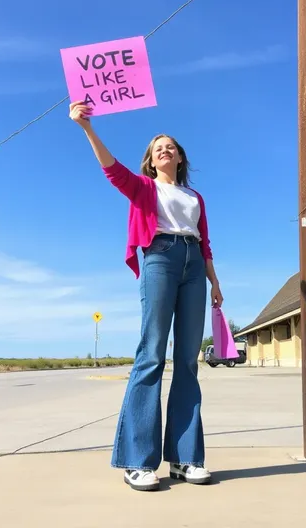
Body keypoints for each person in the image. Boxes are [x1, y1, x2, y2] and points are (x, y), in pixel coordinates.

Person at [69, 101, 223, 492]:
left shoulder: (195, 197)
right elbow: (112, 170)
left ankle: (185, 458)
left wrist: (214, 282)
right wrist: (87, 128)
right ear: (151, 161)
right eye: (158, 148)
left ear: (180, 157)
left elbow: (205, 243)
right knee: (152, 353)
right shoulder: (144, 187)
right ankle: (137, 461)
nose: (165, 150)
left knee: (187, 361)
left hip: (193, 265)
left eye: (170, 146)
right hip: (160, 258)